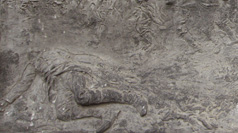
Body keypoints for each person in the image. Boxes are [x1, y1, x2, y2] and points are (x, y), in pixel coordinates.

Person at [0, 49, 148, 133]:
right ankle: (104, 114)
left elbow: (76, 56)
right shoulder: (32, 65)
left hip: (72, 73)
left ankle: (130, 97)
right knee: (64, 113)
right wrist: (5, 101)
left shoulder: (53, 52)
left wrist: (98, 64)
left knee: (82, 97)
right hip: (59, 84)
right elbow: (23, 83)